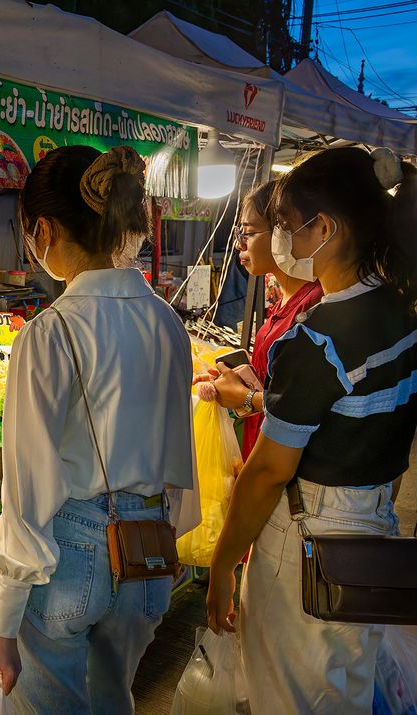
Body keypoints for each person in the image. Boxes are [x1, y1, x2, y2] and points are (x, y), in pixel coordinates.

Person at [0, 145, 196, 713]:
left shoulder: (49, 334)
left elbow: (25, 494)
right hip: (149, 553)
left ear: (43, 230)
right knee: (113, 702)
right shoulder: (169, 324)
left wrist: (2, 620)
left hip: (72, 553)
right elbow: (183, 458)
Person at [206, 147, 417, 714]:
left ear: (325, 228)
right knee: (340, 689)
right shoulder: (402, 311)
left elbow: (270, 471)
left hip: (308, 537)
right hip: (373, 528)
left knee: (292, 695)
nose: (285, 243)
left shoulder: (318, 339)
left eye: (287, 227)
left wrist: (224, 563)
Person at [195, 181, 323, 458]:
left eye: (249, 233)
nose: (240, 244)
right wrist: (234, 383)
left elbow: (305, 409)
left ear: (284, 233)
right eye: (239, 232)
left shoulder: (313, 306)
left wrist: (244, 397)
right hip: (262, 450)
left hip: (283, 462)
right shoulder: (284, 301)